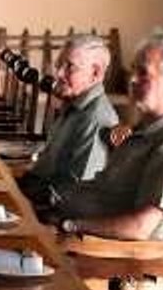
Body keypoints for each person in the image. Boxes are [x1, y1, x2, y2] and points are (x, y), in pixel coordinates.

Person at [53, 30, 163, 240]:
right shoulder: (145, 129)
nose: (132, 79)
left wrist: (69, 225)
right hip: (67, 225)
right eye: (133, 70)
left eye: (143, 73)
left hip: (96, 252)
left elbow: (140, 228)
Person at [17, 34, 119, 207]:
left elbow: (74, 193)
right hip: (34, 195)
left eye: (70, 67)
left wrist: (19, 194)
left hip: (52, 217)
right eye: (59, 65)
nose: (59, 74)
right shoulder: (73, 104)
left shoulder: (95, 120)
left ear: (96, 72)